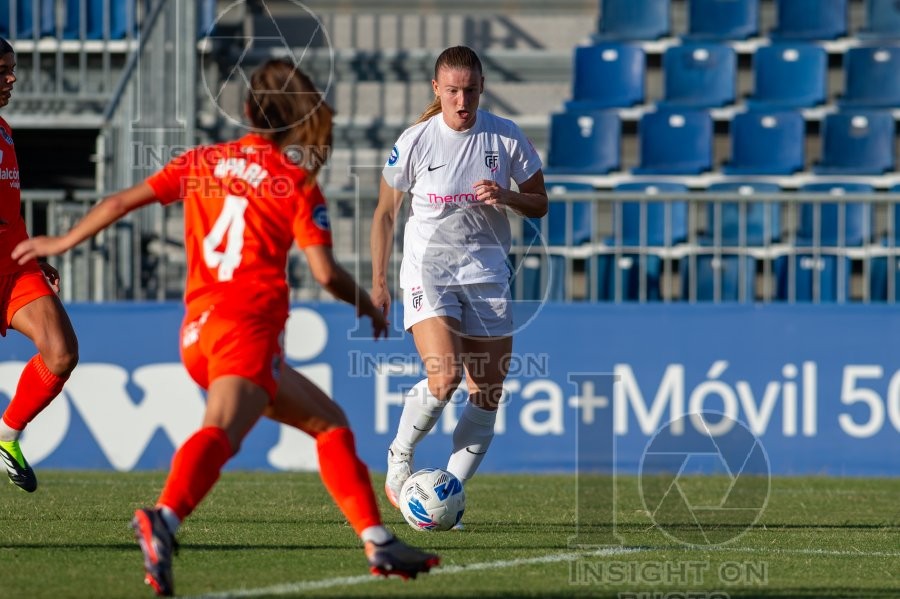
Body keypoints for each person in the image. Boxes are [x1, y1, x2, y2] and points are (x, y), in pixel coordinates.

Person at [13, 58, 439, 597]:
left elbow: (121, 200)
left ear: (244, 112)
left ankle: (377, 540)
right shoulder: (293, 182)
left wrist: (60, 242)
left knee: (330, 423)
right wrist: (368, 305)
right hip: (247, 328)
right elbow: (325, 272)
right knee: (223, 430)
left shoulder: (200, 162)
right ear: (296, 119)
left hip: (198, 332)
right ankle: (163, 519)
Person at [370, 46, 548, 512]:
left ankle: (443, 496)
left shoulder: (506, 138)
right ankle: (400, 454)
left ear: (482, 88)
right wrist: (379, 281)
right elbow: (386, 214)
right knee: (444, 374)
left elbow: (540, 202)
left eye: (469, 90)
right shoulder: (416, 141)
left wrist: (507, 196)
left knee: (487, 392)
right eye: (452, 90)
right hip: (428, 272)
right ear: (437, 89)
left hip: (486, 274)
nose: (461, 100)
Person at [0, 37, 79, 494]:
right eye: (2, 70)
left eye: (13, 68)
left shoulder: (4, 130)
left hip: (12, 265)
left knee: (61, 351)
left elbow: (9, 203)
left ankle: (7, 435)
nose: (11, 78)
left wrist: (30, 250)